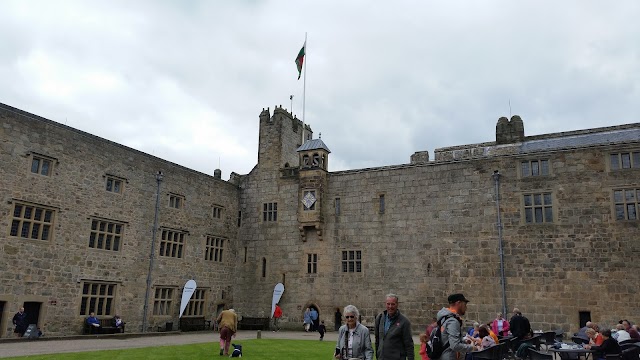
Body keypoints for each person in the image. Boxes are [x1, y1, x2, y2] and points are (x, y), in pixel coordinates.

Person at [374, 293, 414, 360]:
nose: (390, 306)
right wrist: (378, 355)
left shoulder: (404, 322)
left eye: (393, 304)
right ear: (385, 304)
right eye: (388, 304)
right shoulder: (380, 318)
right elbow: (377, 340)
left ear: (397, 304)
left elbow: (409, 344)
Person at [438, 293, 477, 360]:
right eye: (465, 304)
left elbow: (448, 338)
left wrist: (464, 341)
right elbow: (455, 345)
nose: (466, 308)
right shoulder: (453, 321)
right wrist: (472, 348)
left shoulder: (445, 318)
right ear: (459, 303)